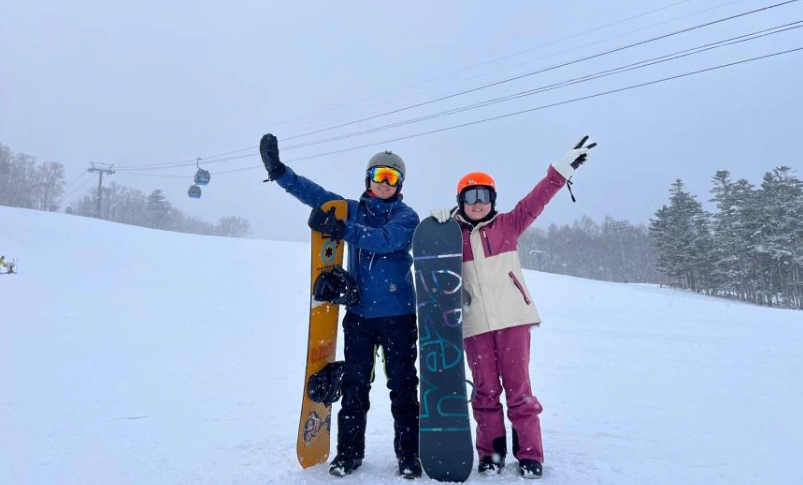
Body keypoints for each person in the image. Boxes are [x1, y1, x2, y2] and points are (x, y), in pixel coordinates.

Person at [430, 137, 596, 479]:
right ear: (460, 201)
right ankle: (491, 454)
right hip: (475, 325)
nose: (478, 203)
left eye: (484, 196)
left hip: (513, 320)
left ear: (493, 199)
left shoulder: (509, 224)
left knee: (519, 391)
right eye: (470, 197)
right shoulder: (451, 236)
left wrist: (561, 170)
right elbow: (430, 263)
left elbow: (538, 199)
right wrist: (435, 227)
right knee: (485, 392)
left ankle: (530, 455)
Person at [259, 134, 423, 478]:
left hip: (398, 317)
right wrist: (280, 173)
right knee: (354, 388)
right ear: (368, 179)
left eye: (392, 177)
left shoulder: (407, 217)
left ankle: (409, 456)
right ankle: (348, 454)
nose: (384, 183)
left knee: (403, 388)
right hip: (360, 316)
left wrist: (341, 229)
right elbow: (316, 196)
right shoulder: (352, 209)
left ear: (400, 184)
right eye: (379, 175)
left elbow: (384, 240)